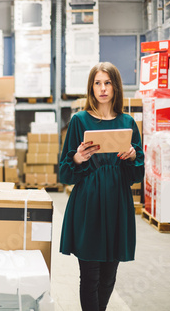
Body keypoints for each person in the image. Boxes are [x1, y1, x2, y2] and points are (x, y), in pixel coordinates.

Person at [59, 62, 145, 311]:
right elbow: (65, 172)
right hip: (88, 203)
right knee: (90, 274)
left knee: (109, 276)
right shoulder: (79, 121)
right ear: (91, 88)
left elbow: (136, 174)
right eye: (97, 83)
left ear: (116, 87)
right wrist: (78, 158)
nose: (103, 88)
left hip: (118, 201)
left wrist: (131, 157)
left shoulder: (127, 122)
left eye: (107, 82)